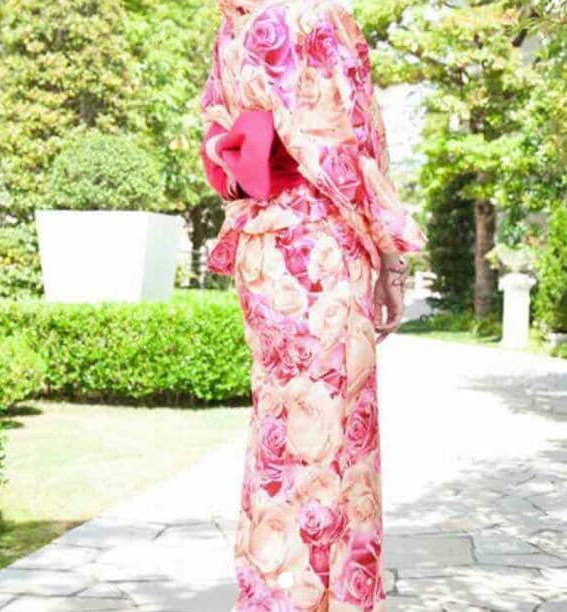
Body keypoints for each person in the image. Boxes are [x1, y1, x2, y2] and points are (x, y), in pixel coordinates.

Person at [199, 0, 428, 609]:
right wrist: (389, 257)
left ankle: (273, 591)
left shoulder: (234, 24)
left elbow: (219, 132)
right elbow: (348, 148)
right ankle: (325, 598)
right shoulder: (313, 16)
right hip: (319, 250)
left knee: (282, 433)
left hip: (263, 248)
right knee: (333, 435)